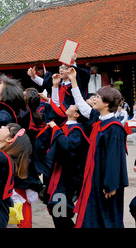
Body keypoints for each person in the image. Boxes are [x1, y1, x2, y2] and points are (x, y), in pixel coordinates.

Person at [68, 68, 128, 228]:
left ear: (107, 103)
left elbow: (114, 158)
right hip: (95, 177)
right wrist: (73, 80)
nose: (93, 99)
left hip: (106, 183)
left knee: (107, 218)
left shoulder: (114, 128)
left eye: (98, 97)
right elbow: (81, 103)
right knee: (94, 216)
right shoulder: (99, 120)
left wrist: (111, 184)